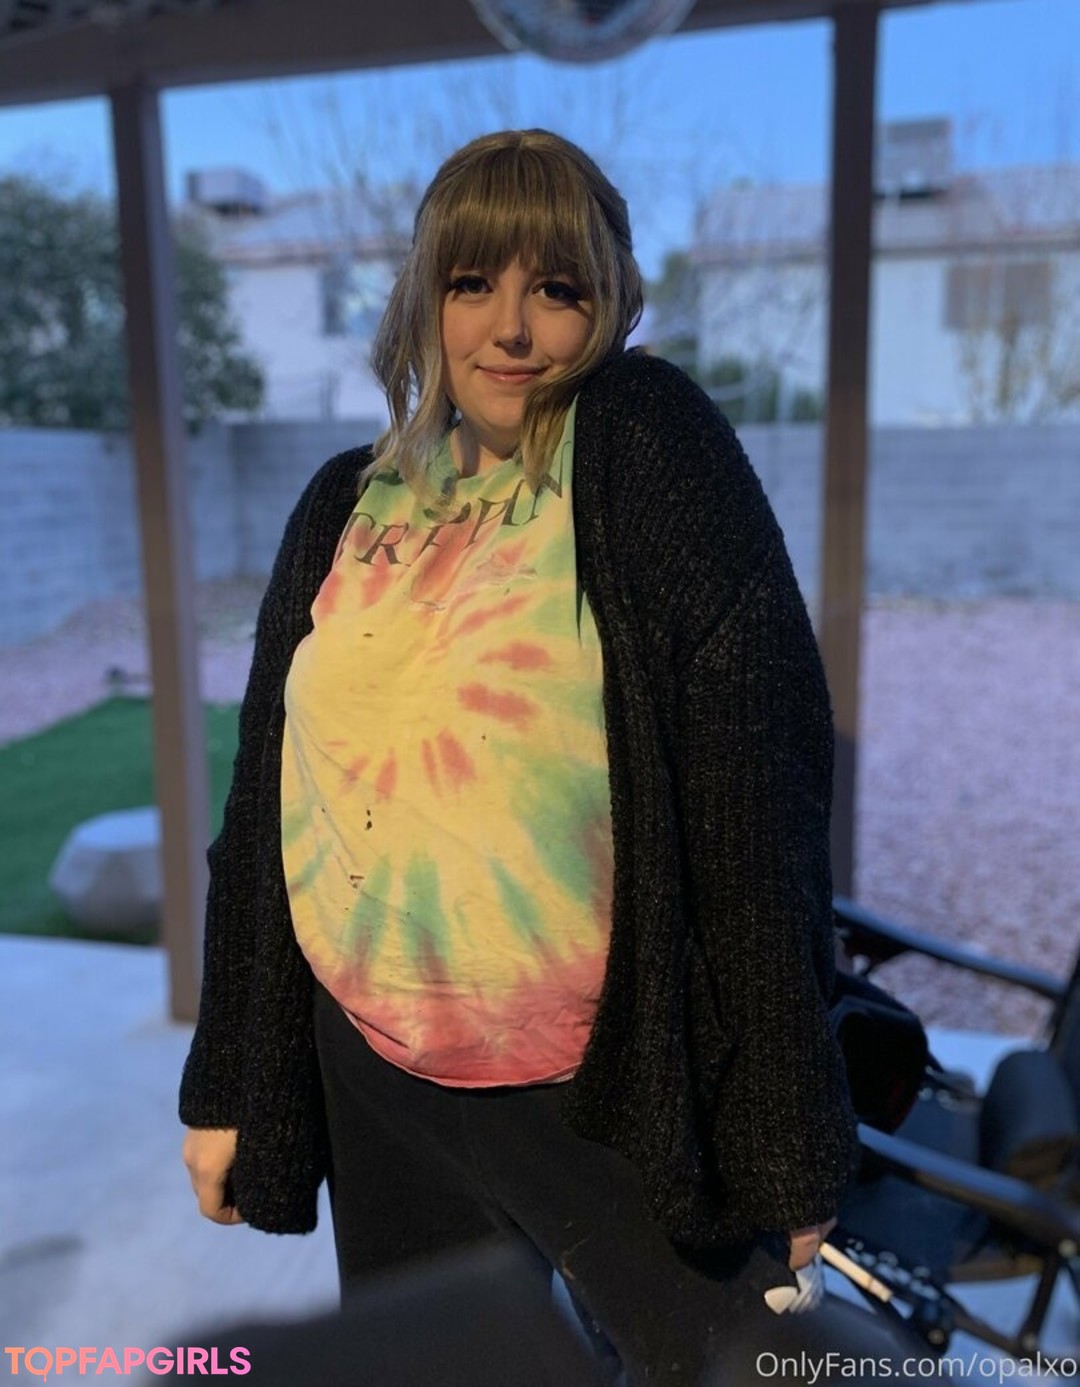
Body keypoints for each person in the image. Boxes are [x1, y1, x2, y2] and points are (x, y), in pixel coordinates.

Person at [180, 129, 858, 1384]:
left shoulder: (642, 450)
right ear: (422, 300)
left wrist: (785, 1134)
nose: (511, 327)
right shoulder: (340, 504)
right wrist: (227, 1076)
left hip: (604, 1090)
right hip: (377, 1073)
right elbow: (262, 809)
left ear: (609, 305)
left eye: (557, 287)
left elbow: (755, 795)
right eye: (470, 282)